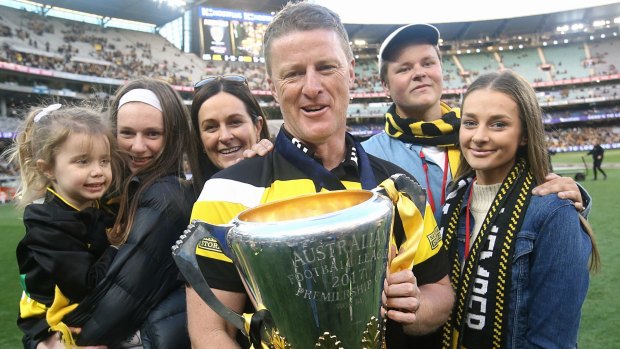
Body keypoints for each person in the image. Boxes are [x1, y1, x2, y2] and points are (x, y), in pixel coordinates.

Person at [186, 3, 453, 348]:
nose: (312, 87)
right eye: (293, 73)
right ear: (271, 84)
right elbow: (210, 333)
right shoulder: (226, 192)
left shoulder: (400, 185)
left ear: (352, 71)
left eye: (326, 67)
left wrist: (416, 306)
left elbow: (440, 293)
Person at [362, 23, 590, 226]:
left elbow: (539, 192)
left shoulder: (485, 138)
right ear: (385, 86)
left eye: (428, 63)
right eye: (404, 68)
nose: (419, 73)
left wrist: (571, 198)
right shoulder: (367, 155)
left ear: (441, 69)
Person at [439, 71, 599, 349]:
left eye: (498, 125)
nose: (479, 136)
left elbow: (551, 343)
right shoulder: (452, 201)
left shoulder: (554, 212)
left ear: (524, 135)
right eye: (470, 122)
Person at [36, 78, 198, 348]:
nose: (137, 146)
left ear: (173, 135)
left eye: (152, 133)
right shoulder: (115, 190)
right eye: (126, 133)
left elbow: (120, 297)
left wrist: (55, 338)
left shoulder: (165, 197)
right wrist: (38, 332)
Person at [6, 104, 120, 349]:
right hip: (53, 328)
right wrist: (120, 243)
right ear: (47, 169)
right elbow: (88, 283)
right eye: (83, 161)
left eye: (104, 161)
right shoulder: (46, 224)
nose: (98, 171)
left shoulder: (99, 204)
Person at [187, 74, 271, 194]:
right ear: (200, 140)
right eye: (211, 127)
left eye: (235, 122)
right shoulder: (181, 203)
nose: (225, 137)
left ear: (257, 127)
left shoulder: (286, 178)